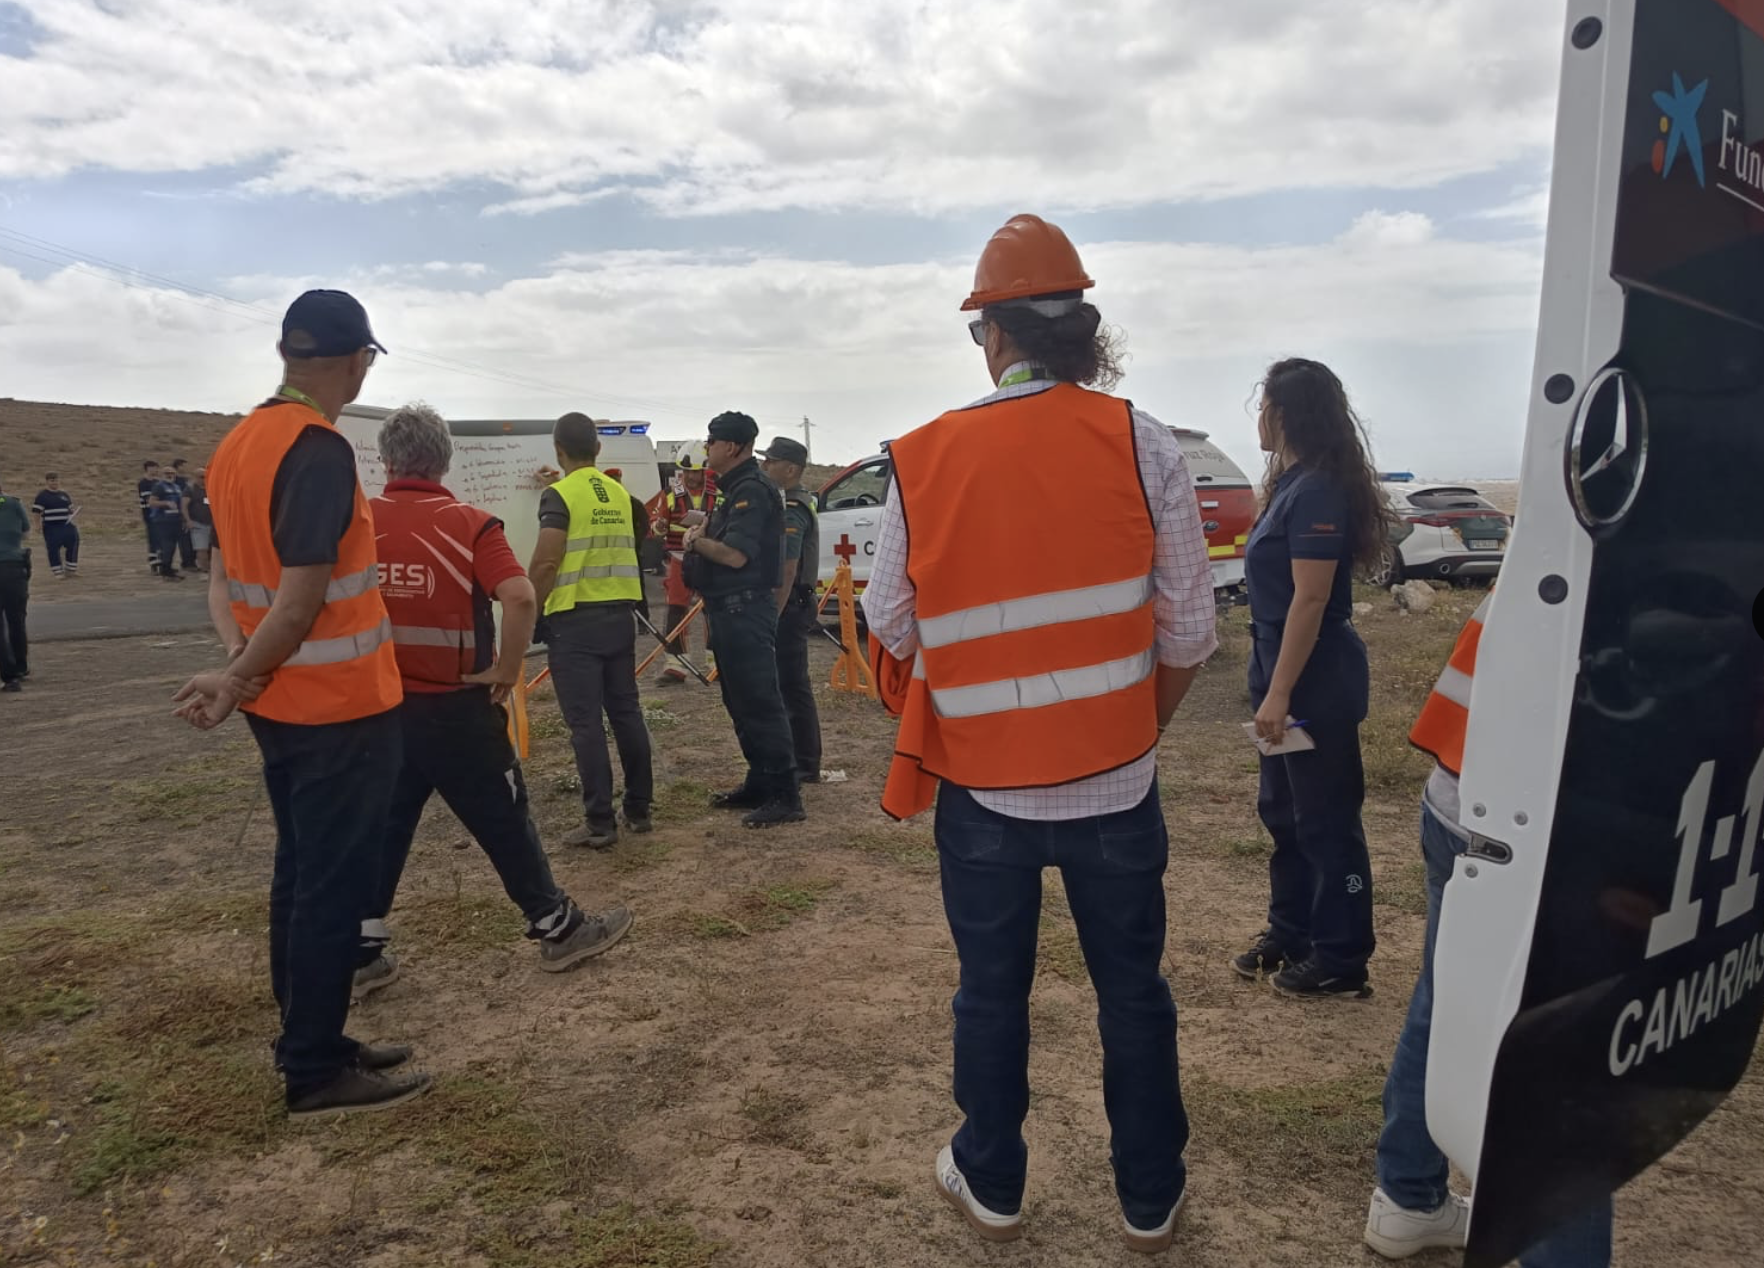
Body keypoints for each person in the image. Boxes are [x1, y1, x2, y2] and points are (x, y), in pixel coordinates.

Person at [861, 214, 1217, 1252]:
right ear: (1082, 336)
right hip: (1119, 783)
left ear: (996, 335)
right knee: (1134, 994)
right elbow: (1191, 630)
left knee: (991, 994)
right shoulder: (1144, 441)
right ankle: (1149, 1197)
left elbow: (889, 622)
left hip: (983, 793)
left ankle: (993, 1180)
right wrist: (1135, 727)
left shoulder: (923, 456)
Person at [172, 288, 430, 1120]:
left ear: (287, 354)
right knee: (332, 886)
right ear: (358, 362)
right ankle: (315, 1069)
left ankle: (310, 1037)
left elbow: (223, 582)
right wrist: (240, 676)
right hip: (340, 711)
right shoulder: (317, 450)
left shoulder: (238, 444)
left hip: (282, 708)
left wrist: (238, 669)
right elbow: (300, 599)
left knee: (300, 872)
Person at [1364, 596, 1615, 1265]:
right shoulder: (1671, 554)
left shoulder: (1563, 535)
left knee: (1446, 998)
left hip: (1464, 796)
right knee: (1566, 1044)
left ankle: (1408, 1195)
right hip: (1552, 827)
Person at [351, 404, 633, 996]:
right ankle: (557, 926)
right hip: (457, 706)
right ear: (445, 461)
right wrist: (507, 667)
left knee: (386, 823)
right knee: (504, 818)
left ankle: (359, 948)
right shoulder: (471, 524)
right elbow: (520, 596)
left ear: (386, 461)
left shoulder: (357, 525)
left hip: (381, 706)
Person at [1232, 358, 1392, 1000]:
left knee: (1326, 819)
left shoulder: (1320, 490)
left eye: (1263, 405)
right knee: (1282, 810)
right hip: (1275, 665)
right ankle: (1292, 931)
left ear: (1285, 412)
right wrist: (1268, 684)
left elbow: (1312, 598)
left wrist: (1280, 694)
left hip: (1313, 680)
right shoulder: (1291, 485)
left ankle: (1342, 956)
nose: (1259, 418)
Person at [527, 412, 654, 849]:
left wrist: (529, 610)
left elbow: (547, 561)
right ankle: (639, 808)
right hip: (619, 616)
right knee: (626, 713)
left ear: (558, 450)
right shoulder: (618, 493)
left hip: (575, 622)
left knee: (585, 724)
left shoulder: (561, 497)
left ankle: (600, 821)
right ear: (598, 449)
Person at [681, 410, 803, 828]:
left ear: (731, 446)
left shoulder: (751, 488)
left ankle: (785, 794)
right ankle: (760, 780)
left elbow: (735, 555)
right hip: (728, 608)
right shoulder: (734, 488)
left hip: (745, 608)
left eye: (711, 441)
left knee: (760, 702)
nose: (707, 448)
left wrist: (695, 542)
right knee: (739, 701)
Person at [758, 435, 822, 785]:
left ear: (791, 469)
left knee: (793, 685)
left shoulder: (794, 507)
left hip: (791, 605)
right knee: (788, 684)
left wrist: (772, 615)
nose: (765, 465)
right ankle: (800, 759)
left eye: (771, 461)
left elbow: (787, 566)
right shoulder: (790, 502)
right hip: (795, 603)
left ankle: (805, 763)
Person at [652, 447, 718, 684]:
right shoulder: (670, 494)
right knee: (676, 609)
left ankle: (717, 662)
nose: (691, 476)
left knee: (713, 608)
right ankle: (676, 665)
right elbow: (655, 526)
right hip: (679, 557)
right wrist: (659, 526)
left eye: (696, 471)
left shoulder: (718, 493)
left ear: (704, 470)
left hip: (709, 556)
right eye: (686, 471)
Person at [0, 476, 30, 694]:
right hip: (14, 566)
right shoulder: (14, 503)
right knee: (16, 619)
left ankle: (9, 675)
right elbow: (26, 532)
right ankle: (20, 666)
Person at [30, 473, 80, 578]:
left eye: (56, 480)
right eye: (52, 480)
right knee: (53, 549)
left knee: (73, 544)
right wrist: (37, 525)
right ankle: (58, 572)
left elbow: (70, 510)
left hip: (66, 525)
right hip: (51, 526)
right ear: (47, 481)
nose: (55, 482)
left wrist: (73, 514)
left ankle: (71, 570)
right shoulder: (42, 496)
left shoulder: (64, 494)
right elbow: (36, 512)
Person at [145, 463, 186, 581]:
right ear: (162, 474)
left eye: (172, 473)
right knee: (167, 546)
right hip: (163, 521)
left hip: (175, 521)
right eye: (167, 473)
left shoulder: (176, 487)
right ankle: (166, 573)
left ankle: (168, 568)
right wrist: (166, 503)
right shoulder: (159, 486)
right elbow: (152, 502)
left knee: (172, 547)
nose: (170, 475)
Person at [170, 458, 199, 573]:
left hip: (193, 513)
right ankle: (187, 563)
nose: (187, 467)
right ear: (178, 466)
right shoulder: (175, 481)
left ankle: (192, 561)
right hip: (181, 514)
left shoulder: (187, 480)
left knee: (193, 540)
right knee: (185, 540)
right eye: (184, 465)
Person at [185, 467, 214, 574]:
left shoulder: (210, 489)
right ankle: (204, 570)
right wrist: (188, 520)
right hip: (198, 523)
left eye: (206, 477)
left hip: (211, 523)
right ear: (195, 477)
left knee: (212, 548)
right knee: (201, 548)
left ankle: (211, 568)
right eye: (201, 477)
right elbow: (184, 506)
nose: (204, 479)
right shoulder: (190, 490)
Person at [137, 460, 162, 574]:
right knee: (153, 539)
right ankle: (153, 564)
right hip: (149, 514)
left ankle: (160, 562)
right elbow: (149, 499)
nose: (156, 470)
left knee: (160, 539)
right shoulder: (143, 483)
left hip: (160, 514)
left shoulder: (158, 482)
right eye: (154, 468)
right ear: (148, 468)